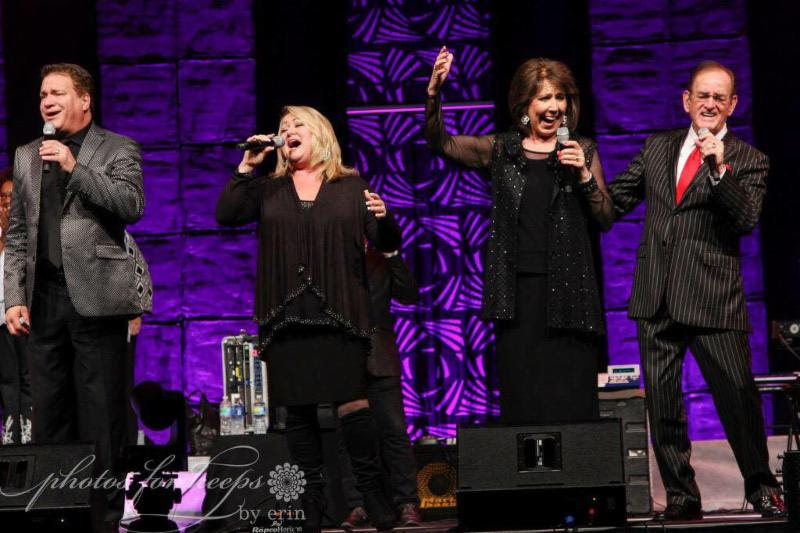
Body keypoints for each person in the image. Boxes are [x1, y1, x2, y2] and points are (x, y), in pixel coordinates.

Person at [608, 61, 783, 519]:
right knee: (664, 407)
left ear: (732, 106)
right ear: (687, 101)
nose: (709, 104)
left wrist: (718, 167)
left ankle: (762, 487)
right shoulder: (657, 148)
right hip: (658, 296)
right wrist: (584, 180)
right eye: (701, 96)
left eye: (718, 98)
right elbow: (614, 202)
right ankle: (682, 496)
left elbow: (745, 220)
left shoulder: (748, 159)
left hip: (712, 298)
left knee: (737, 399)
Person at [215, 105, 402, 531]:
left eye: (299, 124)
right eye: (284, 127)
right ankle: (312, 502)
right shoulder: (267, 189)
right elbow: (225, 214)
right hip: (286, 317)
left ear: (321, 134)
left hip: (339, 314)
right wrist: (245, 166)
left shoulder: (351, 187)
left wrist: (385, 218)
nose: (289, 131)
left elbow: (387, 243)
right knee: (297, 414)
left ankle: (372, 493)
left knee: (354, 404)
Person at [425, 48, 612, 424]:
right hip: (517, 291)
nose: (554, 106)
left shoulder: (581, 149)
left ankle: (577, 476)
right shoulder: (501, 150)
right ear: (526, 103)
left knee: (570, 392)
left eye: (560, 97)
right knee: (526, 392)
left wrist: (585, 177)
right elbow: (442, 143)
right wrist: (434, 94)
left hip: (571, 291)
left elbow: (605, 216)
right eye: (545, 97)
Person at [4, 63, 145, 531]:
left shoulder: (118, 147)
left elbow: (131, 206)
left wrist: (73, 166)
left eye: (58, 92)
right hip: (44, 299)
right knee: (51, 413)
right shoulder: (27, 155)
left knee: (100, 414)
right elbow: (18, 233)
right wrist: (13, 297)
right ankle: (55, 514)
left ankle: (101, 518)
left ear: (84, 99)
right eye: (43, 93)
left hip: (98, 298)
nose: (47, 100)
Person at [339, 243, 421, 529]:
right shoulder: (331, 253)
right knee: (351, 435)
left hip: (381, 354)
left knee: (395, 432)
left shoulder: (380, 257)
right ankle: (358, 505)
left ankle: (407, 503)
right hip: (343, 354)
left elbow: (409, 294)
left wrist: (392, 255)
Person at [0, 169, 32, 445]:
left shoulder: (28, 232)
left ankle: (31, 430)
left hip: (26, 317)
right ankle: (11, 432)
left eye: (12, 196)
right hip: (1, 320)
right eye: (3, 196)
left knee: (28, 378)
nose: (7, 201)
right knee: (7, 379)